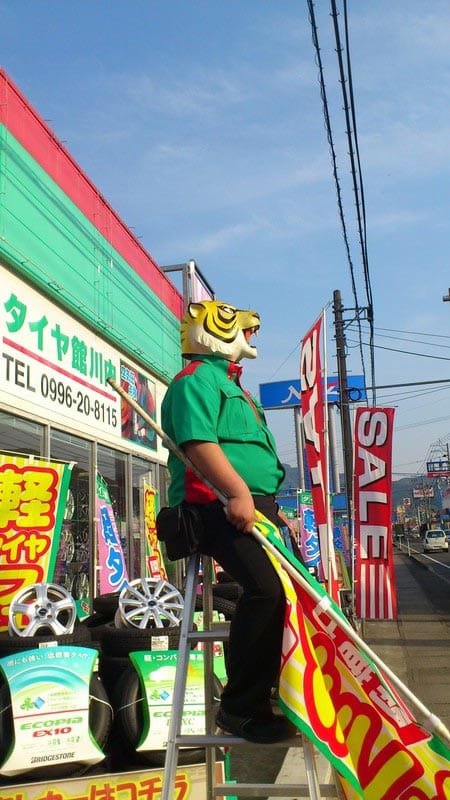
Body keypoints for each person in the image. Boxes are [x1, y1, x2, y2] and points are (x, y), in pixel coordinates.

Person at [161, 300, 296, 744]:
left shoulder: (231, 385)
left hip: (253, 505)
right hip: (215, 505)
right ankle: (240, 707)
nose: (250, 334)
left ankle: (278, 693)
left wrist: (273, 507)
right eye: (242, 326)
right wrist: (239, 493)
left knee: (296, 596)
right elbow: (199, 445)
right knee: (266, 590)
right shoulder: (194, 381)